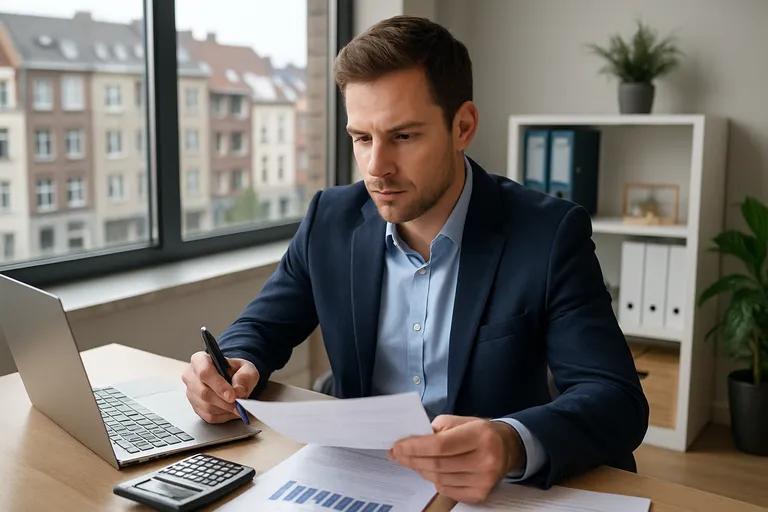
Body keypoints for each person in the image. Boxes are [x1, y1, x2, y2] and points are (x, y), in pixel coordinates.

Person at [181, 15, 649, 503]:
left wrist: (510, 442)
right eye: (362, 138)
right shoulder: (330, 220)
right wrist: (230, 365)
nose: (377, 167)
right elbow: (262, 327)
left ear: (462, 126)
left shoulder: (548, 235)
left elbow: (615, 400)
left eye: (403, 136)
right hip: (361, 480)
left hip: (489, 494)